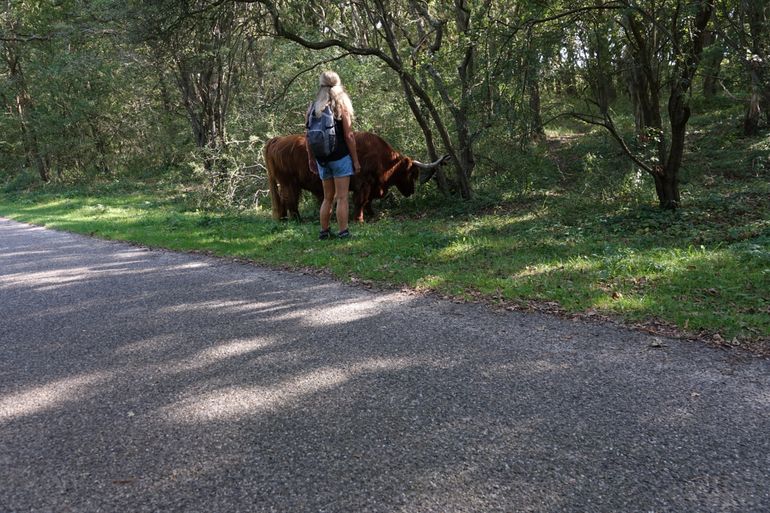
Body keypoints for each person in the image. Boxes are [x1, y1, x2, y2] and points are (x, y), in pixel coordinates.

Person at [306, 71, 361, 240]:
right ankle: (343, 232)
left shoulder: (313, 107)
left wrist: (311, 158)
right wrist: (356, 160)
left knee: (327, 197)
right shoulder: (340, 105)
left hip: (323, 159)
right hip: (340, 158)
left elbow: (308, 136)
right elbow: (349, 136)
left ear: (321, 85)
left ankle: (324, 231)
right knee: (342, 197)